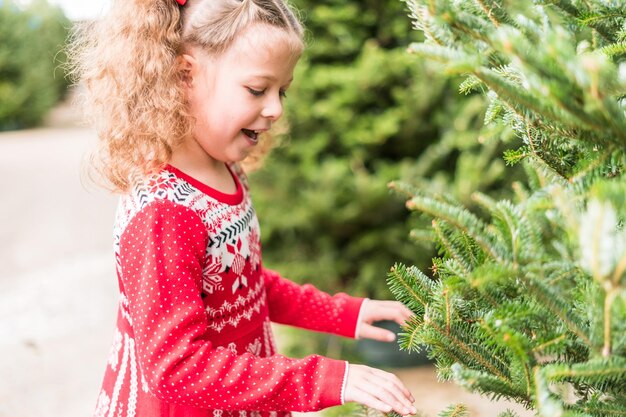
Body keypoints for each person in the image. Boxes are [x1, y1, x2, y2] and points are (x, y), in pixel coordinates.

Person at [69, 0, 417, 416]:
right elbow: (177, 369)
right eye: (258, 89)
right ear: (185, 76)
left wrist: (342, 313)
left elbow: (242, 285)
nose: (276, 109)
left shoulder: (224, 170)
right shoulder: (164, 213)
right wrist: (325, 378)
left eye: (282, 90)